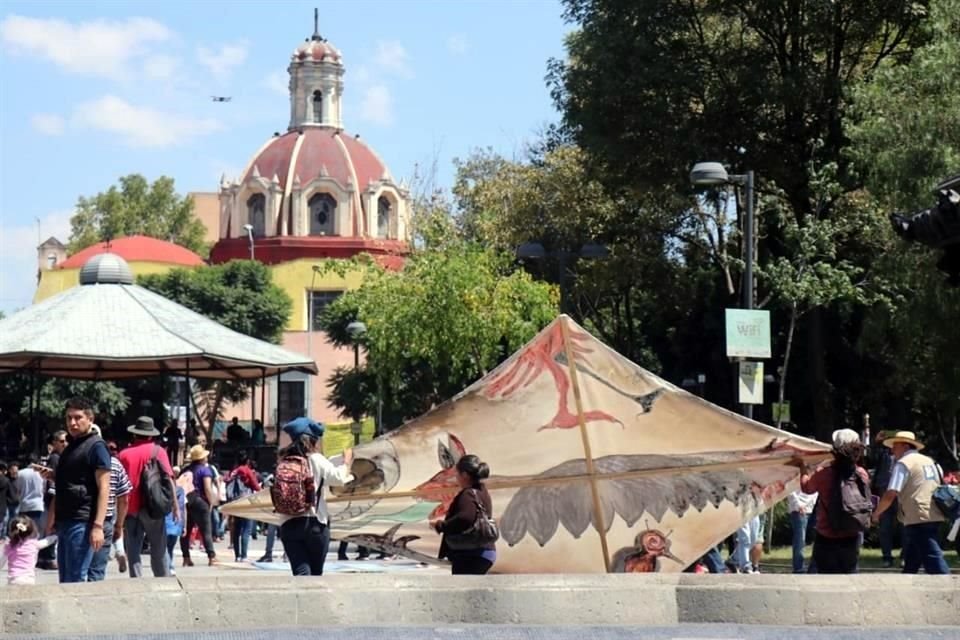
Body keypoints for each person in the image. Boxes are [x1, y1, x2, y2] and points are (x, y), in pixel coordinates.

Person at [46, 397, 112, 583]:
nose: (72, 422)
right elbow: (74, 480)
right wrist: (52, 475)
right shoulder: (71, 446)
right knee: (65, 578)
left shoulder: (97, 446)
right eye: (69, 418)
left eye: (78, 417)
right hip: (66, 519)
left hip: (83, 522)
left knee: (75, 579)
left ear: (90, 419)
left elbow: (104, 487)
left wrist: (98, 526)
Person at [275, 420, 353, 576]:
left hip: (288, 525)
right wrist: (347, 462)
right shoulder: (315, 459)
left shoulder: (283, 460)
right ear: (312, 440)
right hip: (313, 524)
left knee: (301, 572)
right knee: (315, 575)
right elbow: (338, 477)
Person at [872, 430, 949, 574]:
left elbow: (891, 493)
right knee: (913, 556)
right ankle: (907, 581)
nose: (892, 449)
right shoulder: (930, 461)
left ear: (905, 446)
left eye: (895, 446)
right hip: (934, 512)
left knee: (932, 556)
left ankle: (949, 586)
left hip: (917, 515)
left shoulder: (903, 463)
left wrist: (877, 513)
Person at [800, 428, 869, 574]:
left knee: (822, 579)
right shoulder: (861, 474)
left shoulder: (824, 473)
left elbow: (807, 488)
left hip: (827, 535)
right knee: (850, 577)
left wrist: (803, 468)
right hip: (852, 533)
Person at [117, 416, 179, 578]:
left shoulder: (123, 455)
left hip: (130, 508)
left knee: (133, 550)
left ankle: (137, 582)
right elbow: (169, 479)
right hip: (153, 508)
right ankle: (162, 580)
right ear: (151, 435)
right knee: (158, 549)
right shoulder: (158, 452)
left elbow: (116, 484)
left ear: (135, 434)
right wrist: (176, 507)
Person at [432, 454, 497, 575]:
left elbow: (466, 517)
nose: (456, 478)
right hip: (484, 552)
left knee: (462, 592)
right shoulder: (482, 492)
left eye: (457, 474)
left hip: (471, 555)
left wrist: (441, 526)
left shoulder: (467, 494)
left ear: (465, 475)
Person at [83, 427, 132, 581]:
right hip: (105, 520)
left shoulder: (78, 459)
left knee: (76, 572)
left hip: (81, 518)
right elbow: (124, 497)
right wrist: (119, 525)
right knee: (96, 572)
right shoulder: (115, 464)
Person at [180, 445, 219, 566]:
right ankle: (211, 557)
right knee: (206, 530)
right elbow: (207, 488)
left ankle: (186, 557)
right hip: (200, 502)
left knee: (186, 531)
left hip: (187, 501)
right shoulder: (205, 470)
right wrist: (213, 501)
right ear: (202, 458)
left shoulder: (186, 470)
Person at [868, 429, 898, 568]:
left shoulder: (906, 457)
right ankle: (887, 557)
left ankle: (905, 556)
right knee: (885, 526)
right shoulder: (883, 454)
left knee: (905, 526)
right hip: (883, 491)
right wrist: (876, 442)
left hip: (900, 494)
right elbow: (870, 459)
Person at [225, 450, 261, 562]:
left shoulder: (233, 471)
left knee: (236, 529)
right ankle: (244, 555)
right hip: (246, 501)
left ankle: (237, 555)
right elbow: (256, 486)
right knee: (246, 529)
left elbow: (226, 480)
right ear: (247, 460)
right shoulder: (247, 470)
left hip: (235, 502)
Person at [1, 515, 57, 585]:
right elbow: (47, 541)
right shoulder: (34, 544)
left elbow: (1, 562)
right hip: (29, 579)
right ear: (31, 530)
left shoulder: (9, 546)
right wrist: (55, 536)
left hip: (14, 579)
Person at [787, 490, 818, 574]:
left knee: (818, 538)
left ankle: (815, 566)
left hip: (812, 507)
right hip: (798, 510)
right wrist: (798, 505)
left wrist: (813, 503)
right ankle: (798, 567)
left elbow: (816, 490)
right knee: (800, 539)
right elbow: (789, 490)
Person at [165, 470, 186, 576]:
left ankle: (169, 567)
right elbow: (184, 509)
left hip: (164, 524)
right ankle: (170, 566)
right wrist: (184, 525)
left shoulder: (163, 491)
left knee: (165, 547)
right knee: (170, 547)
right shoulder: (181, 491)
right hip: (177, 523)